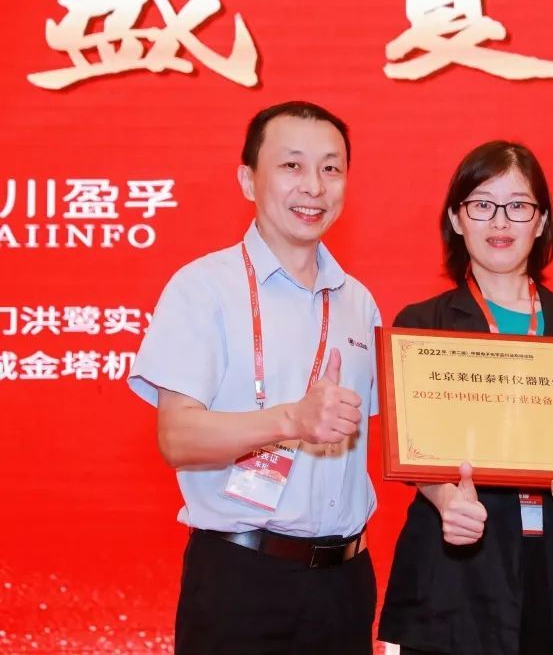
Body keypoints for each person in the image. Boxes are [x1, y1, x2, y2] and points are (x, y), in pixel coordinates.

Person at [129, 101, 380, 655]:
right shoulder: (203, 288)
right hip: (242, 579)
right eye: (292, 166)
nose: (314, 186)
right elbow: (177, 438)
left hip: (345, 584)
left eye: (331, 168)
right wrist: (290, 419)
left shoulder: (358, 302)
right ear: (248, 180)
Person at [377, 141, 553, 655]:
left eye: (518, 205)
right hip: (459, 572)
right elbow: (415, 451)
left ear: (541, 222)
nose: (500, 221)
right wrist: (445, 499)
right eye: (482, 204)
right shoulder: (422, 325)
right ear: (456, 218)